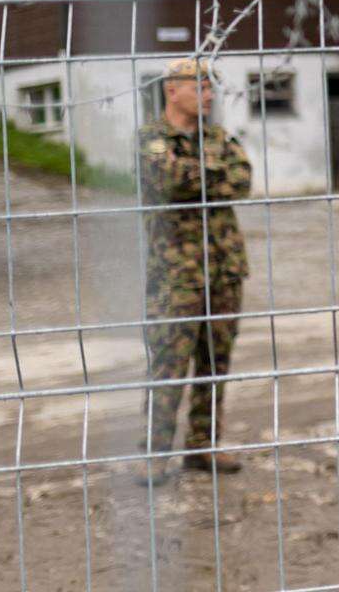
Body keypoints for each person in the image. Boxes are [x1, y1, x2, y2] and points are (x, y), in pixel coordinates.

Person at [136, 56, 253, 481]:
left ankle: (203, 446)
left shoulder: (218, 136)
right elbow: (167, 179)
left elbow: (242, 180)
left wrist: (194, 174)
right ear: (172, 90)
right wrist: (209, 171)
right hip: (175, 274)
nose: (207, 95)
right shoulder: (149, 139)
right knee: (169, 364)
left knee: (215, 363)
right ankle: (153, 454)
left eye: (209, 88)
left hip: (223, 269)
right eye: (199, 87)